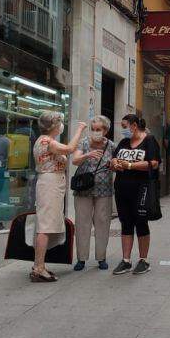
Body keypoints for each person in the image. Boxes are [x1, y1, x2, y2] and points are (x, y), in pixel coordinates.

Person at [30, 112, 86, 282]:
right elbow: (69, 149)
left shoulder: (45, 140)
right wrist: (80, 130)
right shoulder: (47, 141)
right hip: (49, 184)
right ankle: (39, 267)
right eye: (60, 122)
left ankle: (38, 265)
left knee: (46, 224)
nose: (62, 124)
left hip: (51, 183)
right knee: (45, 226)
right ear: (54, 125)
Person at [109, 114, 161, 275]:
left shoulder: (149, 140)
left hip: (141, 189)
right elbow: (115, 159)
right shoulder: (124, 142)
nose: (123, 130)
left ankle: (143, 260)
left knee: (141, 223)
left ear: (134, 125)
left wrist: (130, 165)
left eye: (125, 126)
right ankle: (126, 260)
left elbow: (154, 163)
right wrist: (113, 164)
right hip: (122, 188)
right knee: (126, 223)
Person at [71, 116, 114, 271]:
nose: (96, 132)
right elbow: (75, 160)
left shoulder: (110, 145)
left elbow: (116, 164)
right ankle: (81, 259)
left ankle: (101, 257)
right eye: (93, 129)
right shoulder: (83, 143)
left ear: (105, 130)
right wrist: (87, 155)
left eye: (99, 129)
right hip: (83, 190)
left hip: (104, 190)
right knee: (82, 223)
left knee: (103, 223)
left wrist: (113, 164)